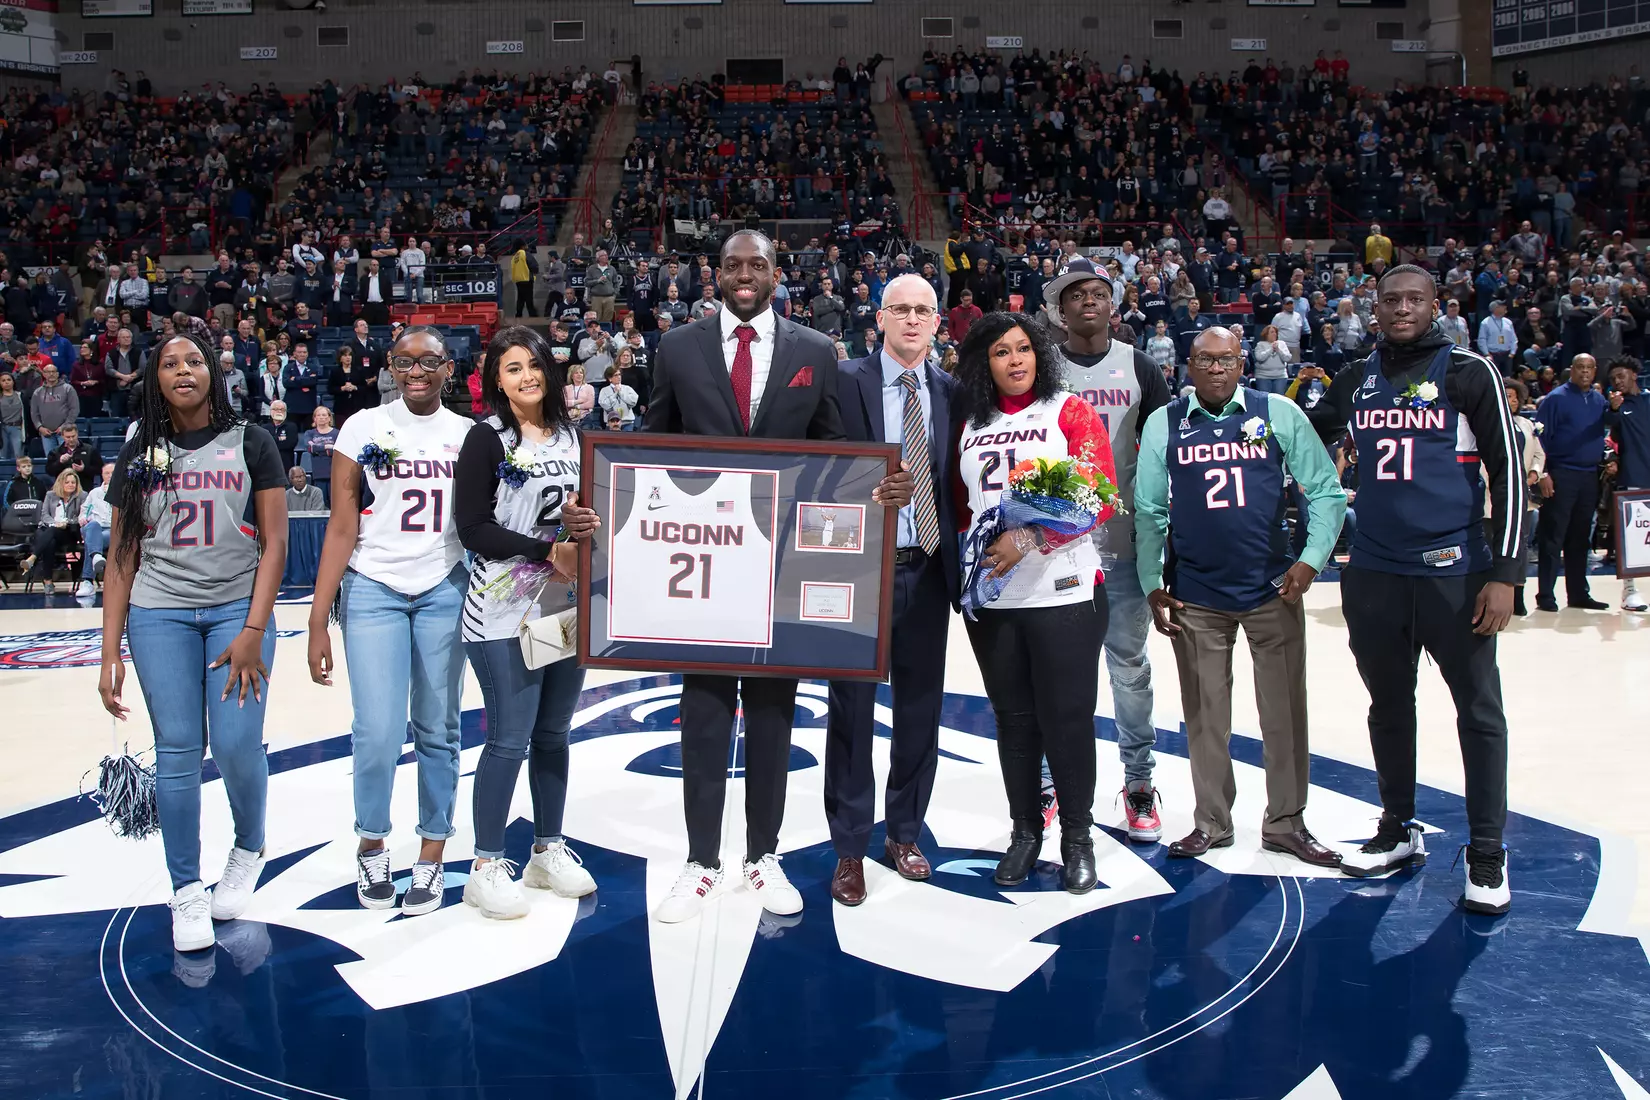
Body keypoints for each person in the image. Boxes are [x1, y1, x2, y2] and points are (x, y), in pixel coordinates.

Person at [635, 229, 910, 923]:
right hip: (701, 567)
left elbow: (834, 448)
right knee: (702, 717)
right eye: (733, 265)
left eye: (758, 264)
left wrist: (879, 483)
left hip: (779, 569)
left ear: (777, 272)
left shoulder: (814, 351)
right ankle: (700, 862)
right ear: (715, 274)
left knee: (771, 718)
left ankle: (763, 855)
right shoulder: (677, 348)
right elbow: (648, 445)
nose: (745, 275)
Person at [1323, 266, 1526, 916]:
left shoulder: (1468, 372)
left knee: (1479, 714)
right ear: (1374, 307)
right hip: (1376, 576)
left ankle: (1487, 853)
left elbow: (1509, 471)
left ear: (1437, 305)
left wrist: (1505, 572)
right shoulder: (1355, 379)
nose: (1403, 308)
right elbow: (1301, 436)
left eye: (1415, 299)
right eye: (1392, 300)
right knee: (1388, 706)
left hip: (1456, 574)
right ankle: (1398, 827)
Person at [96, 331, 287, 952]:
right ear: (155, 379)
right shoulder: (139, 453)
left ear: (214, 372)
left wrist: (254, 631)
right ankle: (186, 891)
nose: (183, 371)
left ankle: (250, 846)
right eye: (170, 363)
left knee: (235, 744)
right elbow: (122, 555)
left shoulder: (252, 441)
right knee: (177, 751)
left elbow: (277, 545)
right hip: (159, 613)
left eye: (195, 361)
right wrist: (108, 651)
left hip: (237, 607)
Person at [1134, 327, 1347, 864]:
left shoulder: (1276, 412)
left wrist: (1310, 559)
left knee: (1285, 714)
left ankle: (1286, 823)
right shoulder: (1165, 422)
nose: (1215, 369)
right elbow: (1151, 510)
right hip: (1196, 595)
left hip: (1272, 590)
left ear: (1242, 363)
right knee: (1205, 717)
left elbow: (1322, 488)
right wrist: (1151, 583)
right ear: (1187, 365)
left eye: (1226, 359)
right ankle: (1212, 822)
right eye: (1204, 360)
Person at [307, 327, 473, 916]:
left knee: (438, 727)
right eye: (405, 361)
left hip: (443, 586)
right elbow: (342, 525)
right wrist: (319, 618)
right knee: (376, 730)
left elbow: (481, 524)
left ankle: (431, 854)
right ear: (391, 368)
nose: (417, 371)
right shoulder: (362, 426)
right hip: (373, 585)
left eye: (429, 361)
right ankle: (372, 842)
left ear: (448, 368)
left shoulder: (468, 435)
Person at [953, 312, 1116, 893]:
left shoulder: (1068, 410)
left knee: (1067, 720)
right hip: (995, 599)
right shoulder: (969, 421)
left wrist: (1034, 537)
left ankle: (1078, 838)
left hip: (1064, 589)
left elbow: (1100, 492)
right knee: (1014, 722)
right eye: (1001, 351)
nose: (1015, 360)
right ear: (985, 362)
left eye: (1024, 349)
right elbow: (958, 506)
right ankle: (1025, 832)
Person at [824, 275, 961, 906]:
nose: (911, 320)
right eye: (900, 309)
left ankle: (904, 832)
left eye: (923, 311)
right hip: (859, 568)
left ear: (937, 322)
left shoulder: (955, 394)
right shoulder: (842, 380)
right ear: (879, 318)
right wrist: (864, 487)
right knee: (850, 711)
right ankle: (849, 847)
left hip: (928, 567)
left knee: (919, 709)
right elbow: (812, 466)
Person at [453, 327, 597, 920]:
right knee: (508, 737)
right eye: (512, 369)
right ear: (496, 380)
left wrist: (575, 538)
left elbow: (588, 512)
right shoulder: (485, 439)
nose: (526, 376)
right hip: (502, 608)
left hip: (562, 607)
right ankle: (485, 865)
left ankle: (547, 849)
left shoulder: (574, 436)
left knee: (554, 734)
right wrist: (548, 552)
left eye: (533, 365)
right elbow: (473, 527)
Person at [1040, 257, 1171, 842]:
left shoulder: (1140, 366)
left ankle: (1138, 785)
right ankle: (1050, 786)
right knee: (1057, 673)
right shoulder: (1040, 367)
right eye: (1076, 294)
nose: (1088, 300)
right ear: (1060, 309)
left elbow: (1168, 454)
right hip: (1054, 550)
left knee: (1129, 671)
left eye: (1098, 292)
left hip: (1121, 546)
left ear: (1111, 304)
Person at [1532, 353, 1609, 611]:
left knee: (1580, 538)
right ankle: (1545, 596)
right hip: (1561, 473)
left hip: (1589, 475)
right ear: (1571, 369)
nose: (1585, 372)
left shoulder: (1599, 400)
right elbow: (1538, 439)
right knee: (1553, 536)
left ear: (1595, 371)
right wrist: (1544, 473)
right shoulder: (1555, 399)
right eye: (1580, 367)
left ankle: (1578, 594)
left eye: (1589, 368)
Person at [1499, 379, 1546, 617]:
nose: (1512, 400)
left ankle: (1517, 596)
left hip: (1523, 495)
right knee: (1492, 544)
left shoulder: (1527, 424)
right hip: (1493, 496)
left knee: (1521, 546)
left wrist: (1535, 473)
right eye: (1507, 396)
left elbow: (1538, 453)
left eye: (1515, 397)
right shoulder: (1488, 421)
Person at [1605, 359, 1648, 612]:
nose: (1618, 382)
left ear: (1633, 374)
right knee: (1634, 538)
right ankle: (1630, 591)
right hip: (1634, 477)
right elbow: (1608, 431)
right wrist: (1612, 410)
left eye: (1621, 376)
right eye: (1613, 379)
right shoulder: (1617, 406)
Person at [19, 469, 85, 592]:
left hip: (69, 532)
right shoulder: (50, 495)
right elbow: (44, 515)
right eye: (67, 482)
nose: (71, 485)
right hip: (49, 529)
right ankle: (48, 581)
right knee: (50, 541)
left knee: (50, 534)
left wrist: (66, 522)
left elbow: (82, 515)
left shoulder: (81, 496)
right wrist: (55, 523)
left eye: (73, 482)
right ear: (61, 483)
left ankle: (33, 559)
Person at [74, 460, 117, 596]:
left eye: (113, 473)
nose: (110, 475)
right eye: (107, 473)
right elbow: (84, 510)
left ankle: (88, 581)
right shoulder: (94, 493)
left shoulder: (123, 491)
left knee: (92, 542)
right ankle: (96, 556)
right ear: (102, 475)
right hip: (94, 526)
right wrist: (82, 517)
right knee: (92, 527)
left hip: (112, 529)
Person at [297, 404, 339, 505]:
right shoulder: (309, 433)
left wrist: (318, 449)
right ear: (314, 419)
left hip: (334, 474)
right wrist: (327, 447)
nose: (321, 417)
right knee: (320, 504)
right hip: (318, 474)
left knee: (335, 504)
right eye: (318, 415)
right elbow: (310, 448)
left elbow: (338, 451)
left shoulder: (337, 433)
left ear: (329, 418)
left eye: (324, 415)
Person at [598, 363, 637, 429]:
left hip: (627, 422)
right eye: (615, 375)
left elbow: (633, 402)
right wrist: (615, 393)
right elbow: (607, 406)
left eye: (619, 374)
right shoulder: (604, 390)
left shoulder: (627, 388)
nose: (619, 377)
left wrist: (621, 393)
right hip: (611, 423)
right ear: (610, 378)